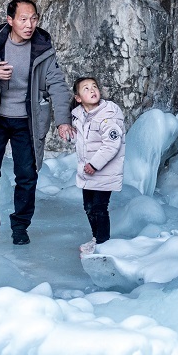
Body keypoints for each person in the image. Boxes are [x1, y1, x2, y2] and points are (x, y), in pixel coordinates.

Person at [0, 0, 75, 245]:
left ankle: (20, 227)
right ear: (10, 20)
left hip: (27, 120)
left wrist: (62, 120)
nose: (29, 24)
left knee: (26, 176)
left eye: (33, 18)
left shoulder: (43, 49)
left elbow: (57, 85)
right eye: (23, 19)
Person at [71, 77, 126, 255]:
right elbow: (84, 140)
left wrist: (95, 164)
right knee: (88, 207)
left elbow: (112, 143)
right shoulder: (79, 115)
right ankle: (97, 239)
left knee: (99, 208)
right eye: (86, 88)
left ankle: (103, 244)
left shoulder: (107, 115)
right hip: (88, 173)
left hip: (104, 172)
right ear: (78, 98)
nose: (92, 90)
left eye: (94, 86)